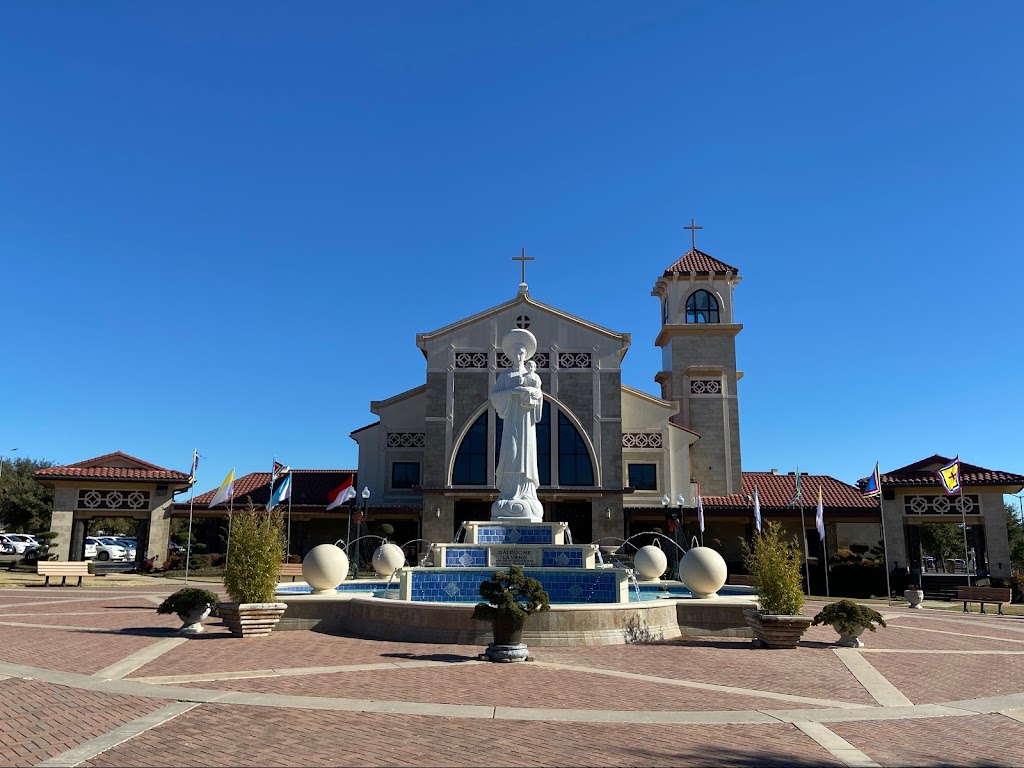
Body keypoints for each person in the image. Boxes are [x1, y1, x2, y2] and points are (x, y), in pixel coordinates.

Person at [490, 329, 544, 521]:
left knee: (526, 453)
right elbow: (495, 396)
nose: (518, 355)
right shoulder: (505, 376)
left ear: (526, 355)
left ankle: (527, 493)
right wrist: (512, 393)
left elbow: (539, 395)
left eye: (522, 352)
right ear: (511, 354)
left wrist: (531, 393)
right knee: (511, 452)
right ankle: (509, 492)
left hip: (526, 422)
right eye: (515, 352)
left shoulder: (534, 375)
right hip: (512, 421)